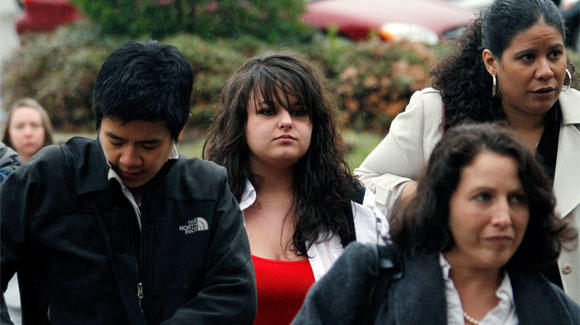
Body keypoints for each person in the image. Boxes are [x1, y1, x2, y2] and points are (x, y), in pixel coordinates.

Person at [0, 40, 257, 324]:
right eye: (116, 141)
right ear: (99, 123)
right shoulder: (46, 179)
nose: (129, 159)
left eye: (148, 145)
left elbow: (235, 294)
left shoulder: (207, 190)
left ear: (180, 131)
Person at [355, 0, 580, 302]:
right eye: (527, 58)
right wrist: (422, 195)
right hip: (459, 305)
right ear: (491, 62)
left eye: (555, 54)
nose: (546, 71)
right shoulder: (437, 112)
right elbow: (365, 181)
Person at [294, 123, 579, 325]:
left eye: (518, 199)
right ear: (443, 202)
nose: (503, 217)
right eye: (483, 197)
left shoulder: (561, 313)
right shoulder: (369, 279)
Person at [203, 52, 388, 324]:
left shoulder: (352, 206)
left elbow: (388, 302)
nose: (287, 121)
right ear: (240, 123)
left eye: (299, 111)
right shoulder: (207, 206)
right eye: (268, 111)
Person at [2, 98, 54, 163]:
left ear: (45, 130)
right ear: (8, 132)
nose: (28, 133)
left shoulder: (63, 168)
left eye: (34, 125)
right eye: (19, 126)